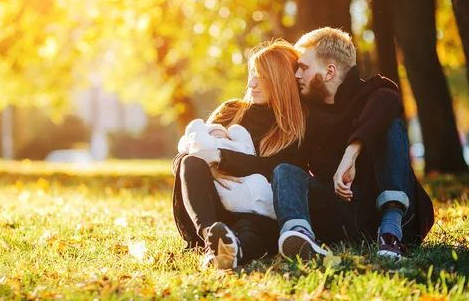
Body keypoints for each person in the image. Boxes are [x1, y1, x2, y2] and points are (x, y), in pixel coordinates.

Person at [272, 27, 434, 260]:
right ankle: (300, 236)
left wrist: (352, 152)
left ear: (330, 71)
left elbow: (389, 99)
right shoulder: (309, 115)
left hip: (402, 219)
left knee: (389, 124)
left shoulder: (373, 93)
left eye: (304, 68)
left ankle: (390, 234)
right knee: (285, 171)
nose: (297, 75)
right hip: (349, 217)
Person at [172, 39, 305, 269]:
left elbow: (275, 169)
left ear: (280, 80)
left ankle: (235, 251)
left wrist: (221, 158)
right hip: (211, 209)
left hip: (257, 215)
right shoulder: (231, 111)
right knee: (190, 162)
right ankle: (210, 240)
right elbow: (184, 159)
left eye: (261, 77)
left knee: (250, 229)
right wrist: (211, 169)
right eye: (252, 74)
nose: (252, 83)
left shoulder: (294, 129)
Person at [177, 118, 276, 219]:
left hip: (261, 194)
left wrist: (220, 157)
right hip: (226, 206)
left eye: (223, 135)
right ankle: (209, 229)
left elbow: (276, 166)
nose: (219, 136)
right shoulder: (227, 112)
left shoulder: (289, 126)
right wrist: (206, 166)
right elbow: (183, 161)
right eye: (214, 134)